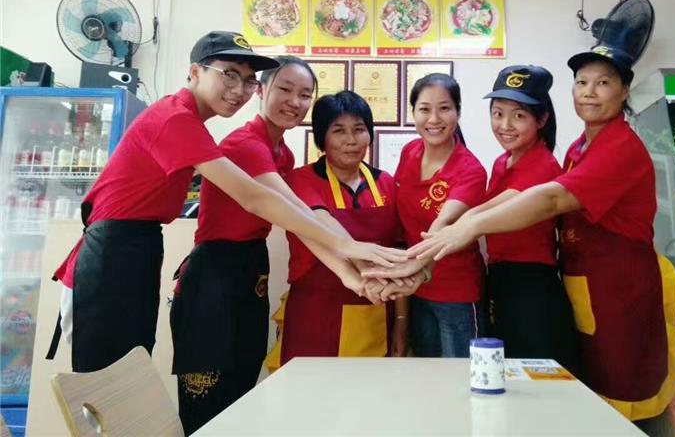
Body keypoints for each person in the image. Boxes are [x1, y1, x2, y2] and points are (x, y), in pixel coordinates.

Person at [50, 32, 405, 377]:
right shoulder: (185, 122)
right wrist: (349, 249)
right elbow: (259, 199)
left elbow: (297, 217)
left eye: (247, 80)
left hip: (153, 248)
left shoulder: (275, 152)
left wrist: (349, 273)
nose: (239, 89)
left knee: (135, 371)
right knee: (110, 379)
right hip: (124, 252)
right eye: (230, 75)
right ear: (195, 72)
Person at [409, 45, 675, 434]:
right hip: (575, 289)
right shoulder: (575, 149)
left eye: (603, 83)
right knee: (565, 394)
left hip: (616, 293)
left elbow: (548, 199)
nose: (589, 92)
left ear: (624, 91)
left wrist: (464, 228)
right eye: (582, 82)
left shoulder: (613, 149)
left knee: (626, 393)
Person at [169, 56, 330, 434]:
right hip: (213, 277)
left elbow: (301, 219)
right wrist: (358, 257)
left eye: (305, 94)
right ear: (261, 90)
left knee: (242, 393)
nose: (294, 101)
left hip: (252, 271)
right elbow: (297, 214)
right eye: (285, 89)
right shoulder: (245, 144)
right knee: (206, 402)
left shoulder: (283, 153)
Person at [278, 91, 425, 366]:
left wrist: (401, 321)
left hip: (375, 308)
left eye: (359, 129)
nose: (351, 140)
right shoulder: (301, 180)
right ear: (322, 137)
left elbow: (401, 253)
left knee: (370, 390)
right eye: (339, 131)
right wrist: (362, 264)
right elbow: (322, 222)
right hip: (315, 313)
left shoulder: (386, 184)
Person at [463, 65, 579, 372]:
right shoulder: (502, 162)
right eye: (498, 113)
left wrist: (442, 236)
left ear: (541, 119)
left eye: (518, 115)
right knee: (506, 372)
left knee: (536, 373)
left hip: (531, 285)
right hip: (500, 279)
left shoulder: (544, 166)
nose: (505, 125)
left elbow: (488, 212)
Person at [392, 73, 487, 358]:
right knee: (426, 374)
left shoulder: (470, 170)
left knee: (460, 376)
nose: (434, 119)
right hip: (416, 290)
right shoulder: (410, 152)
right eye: (424, 109)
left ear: (458, 111)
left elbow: (441, 224)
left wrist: (409, 270)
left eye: (444, 108)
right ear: (413, 112)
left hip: (457, 294)